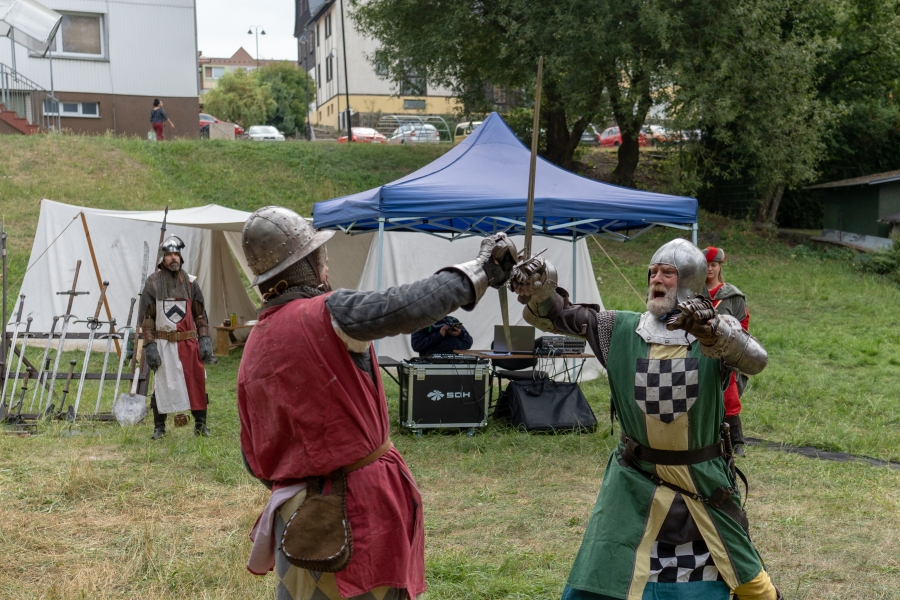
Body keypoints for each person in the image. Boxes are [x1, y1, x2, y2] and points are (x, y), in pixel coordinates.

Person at [237, 206, 516, 600]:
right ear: (307, 265)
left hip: (294, 517)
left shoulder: (254, 345)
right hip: (358, 509)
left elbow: (252, 457)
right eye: (319, 255)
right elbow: (407, 305)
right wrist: (481, 270)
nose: (325, 262)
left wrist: (303, 473)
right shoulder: (328, 314)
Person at [509, 238, 780, 600]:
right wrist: (541, 287)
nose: (656, 279)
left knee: (746, 579)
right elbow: (557, 314)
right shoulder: (619, 329)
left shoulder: (718, 331)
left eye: (668, 273)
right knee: (603, 573)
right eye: (653, 272)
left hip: (701, 480)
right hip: (634, 478)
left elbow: (756, 360)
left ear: (689, 279)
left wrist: (712, 331)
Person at [139, 236, 213, 439]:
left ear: (181, 257)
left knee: (196, 381)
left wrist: (204, 338)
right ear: (162, 258)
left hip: (188, 342)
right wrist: (149, 345)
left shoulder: (191, 283)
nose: (173, 258)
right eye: (169, 255)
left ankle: (200, 425)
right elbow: (147, 318)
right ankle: (159, 427)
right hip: (163, 343)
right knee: (162, 383)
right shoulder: (153, 283)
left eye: (176, 254)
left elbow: (200, 315)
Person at [704, 246, 751, 454]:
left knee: (729, 396)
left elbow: (743, 323)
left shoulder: (732, 295)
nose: (709, 269)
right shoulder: (692, 292)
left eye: (713, 265)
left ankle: (737, 441)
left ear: (719, 266)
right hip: (697, 352)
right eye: (706, 265)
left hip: (724, 354)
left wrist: (732, 347)